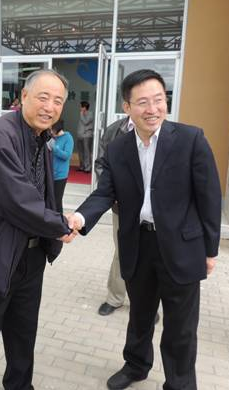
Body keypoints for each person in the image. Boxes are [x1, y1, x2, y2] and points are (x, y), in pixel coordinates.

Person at [68, 69, 221, 389]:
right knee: (140, 315)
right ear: (127, 107)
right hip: (138, 243)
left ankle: (180, 382)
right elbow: (104, 193)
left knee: (181, 326)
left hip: (182, 246)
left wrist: (210, 250)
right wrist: (80, 219)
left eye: (158, 100)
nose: (152, 109)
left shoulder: (191, 139)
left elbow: (209, 197)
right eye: (142, 102)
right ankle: (136, 366)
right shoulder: (118, 148)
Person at [0, 69, 74, 389]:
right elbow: (17, 201)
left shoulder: (42, 139)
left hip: (30, 257)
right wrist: (60, 225)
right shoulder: (0, 136)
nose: (50, 107)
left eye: (58, 101)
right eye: (43, 97)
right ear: (24, 96)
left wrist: (56, 226)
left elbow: (46, 195)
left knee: (23, 339)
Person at [94, 115, 133, 316]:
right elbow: (101, 164)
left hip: (155, 210)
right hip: (123, 206)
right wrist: (112, 193)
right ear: (127, 106)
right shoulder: (114, 130)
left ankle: (145, 302)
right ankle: (115, 297)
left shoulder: (163, 131)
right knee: (122, 251)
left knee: (151, 254)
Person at [49, 119, 74, 213]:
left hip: (60, 175)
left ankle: (59, 220)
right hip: (49, 173)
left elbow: (67, 155)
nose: (51, 132)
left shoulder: (68, 138)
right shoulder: (52, 137)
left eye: (52, 129)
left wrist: (54, 148)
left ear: (57, 128)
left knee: (57, 201)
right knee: (49, 200)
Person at [76, 100, 94, 172]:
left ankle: (88, 167)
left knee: (87, 152)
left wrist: (81, 114)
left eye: (81, 106)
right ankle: (82, 166)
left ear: (84, 107)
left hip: (87, 136)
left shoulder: (90, 114)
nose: (80, 108)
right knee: (80, 152)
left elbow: (85, 122)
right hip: (80, 135)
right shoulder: (82, 114)